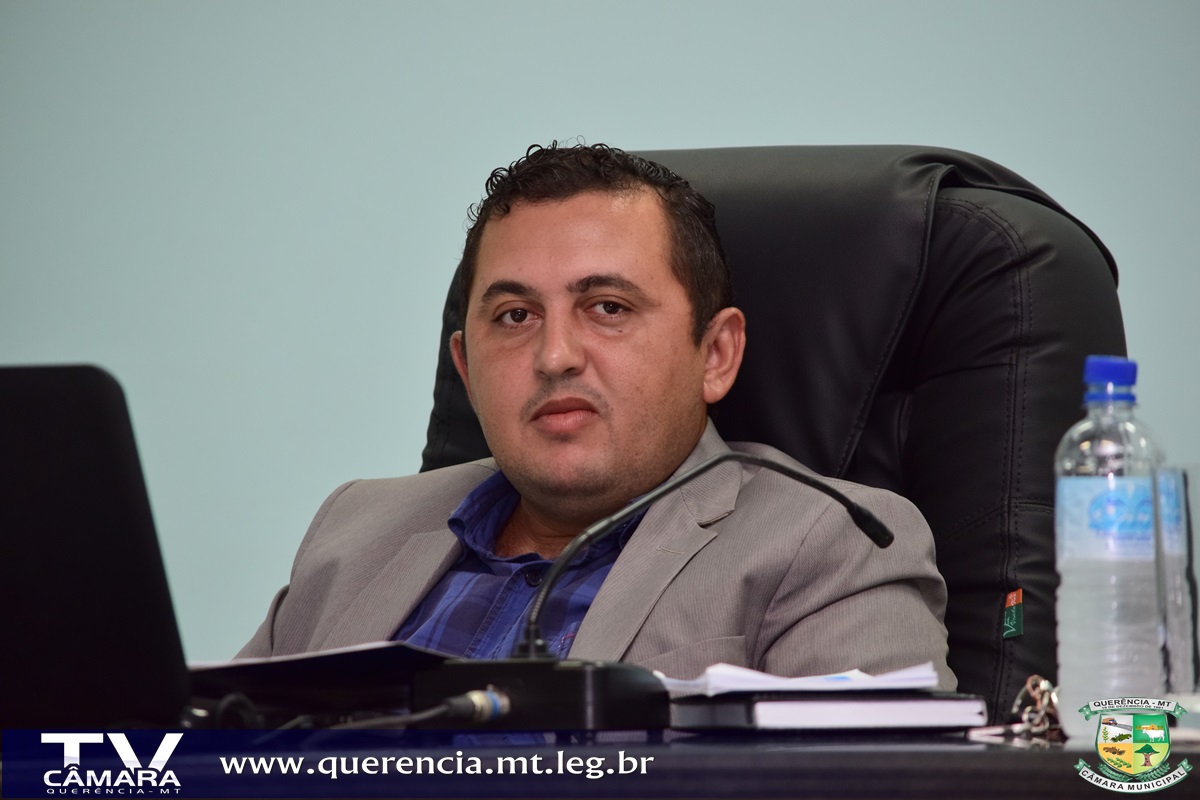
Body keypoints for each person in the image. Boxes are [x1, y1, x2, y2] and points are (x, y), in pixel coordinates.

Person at [240, 143, 955, 689]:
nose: (555, 356)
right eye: (514, 315)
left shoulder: (833, 548)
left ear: (715, 354)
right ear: (467, 369)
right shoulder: (354, 530)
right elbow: (193, 757)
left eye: (607, 307)